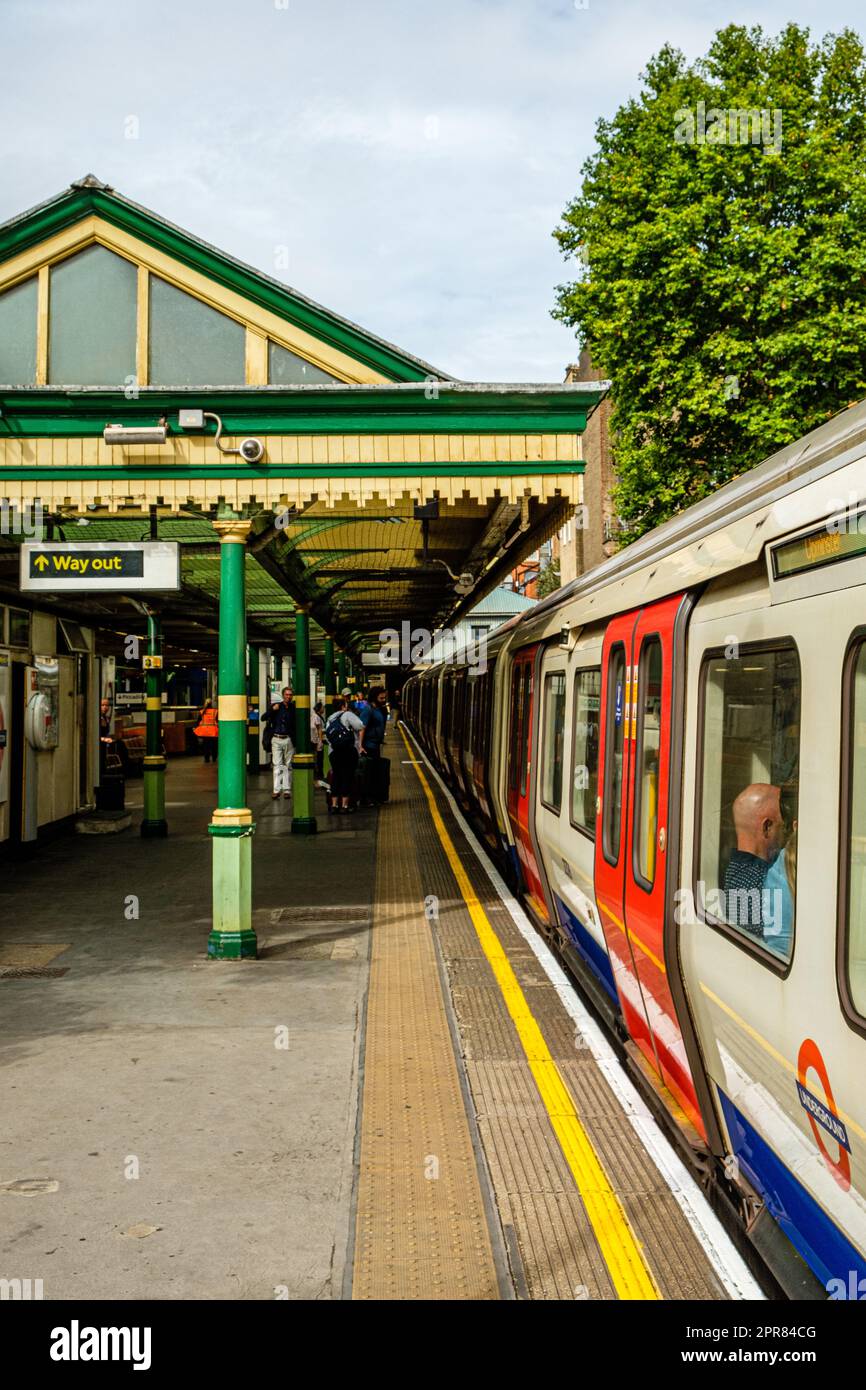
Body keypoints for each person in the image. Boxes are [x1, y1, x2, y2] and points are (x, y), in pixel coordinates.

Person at [722, 783, 785, 935]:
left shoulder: (735, 870)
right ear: (767, 827)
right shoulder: (759, 883)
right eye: (783, 826)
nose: (786, 834)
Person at [325, 696, 364, 813]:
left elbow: (328, 737)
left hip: (333, 752)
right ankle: (345, 806)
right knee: (347, 776)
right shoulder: (347, 715)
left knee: (336, 776)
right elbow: (361, 726)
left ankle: (334, 805)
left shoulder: (330, 719)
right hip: (348, 751)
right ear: (344, 705)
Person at [265, 687, 296, 801]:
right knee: (277, 765)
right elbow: (264, 717)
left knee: (288, 765)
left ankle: (287, 790)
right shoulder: (276, 706)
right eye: (287, 694)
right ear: (283, 695)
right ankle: (276, 790)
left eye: (290, 695)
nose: (288, 696)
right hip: (276, 738)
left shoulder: (293, 708)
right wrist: (273, 710)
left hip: (288, 738)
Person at [311, 700, 326, 786]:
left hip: (317, 740)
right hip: (317, 741)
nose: (323, 708)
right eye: (322, 707)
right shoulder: (316, 717)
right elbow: (318, 729)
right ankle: (318, 778)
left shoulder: (318, 716)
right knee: (318, 760)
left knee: (319, 759)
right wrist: (319, 741)